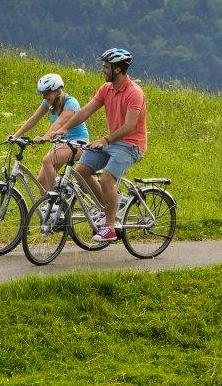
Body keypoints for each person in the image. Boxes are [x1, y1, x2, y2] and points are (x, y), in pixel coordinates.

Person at [53, 46, 146, 243]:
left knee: (106, 179)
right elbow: (86, 111)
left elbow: (130, 126)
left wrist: (105, 140)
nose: (103, 69)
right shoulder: (106, 89)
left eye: (106, 66)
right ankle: (107, 207)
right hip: (112, 142)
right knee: (80, 171)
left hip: (131, 145)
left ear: (117, 70)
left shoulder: (134, 92)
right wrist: (64, 128)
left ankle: (110, 227)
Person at [10, 72, 89, 193]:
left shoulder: (71, 103)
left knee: (47, 161)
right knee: (42, 181)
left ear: (57, 91)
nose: (44, 97)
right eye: (42, 94)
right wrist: (15, 136)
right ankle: (51, 206)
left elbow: (59, 123)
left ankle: (56, 202)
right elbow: (34, 119)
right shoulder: (48, 102)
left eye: (47, 93)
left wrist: (45, 137)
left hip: (77, 143)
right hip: (60, 143)